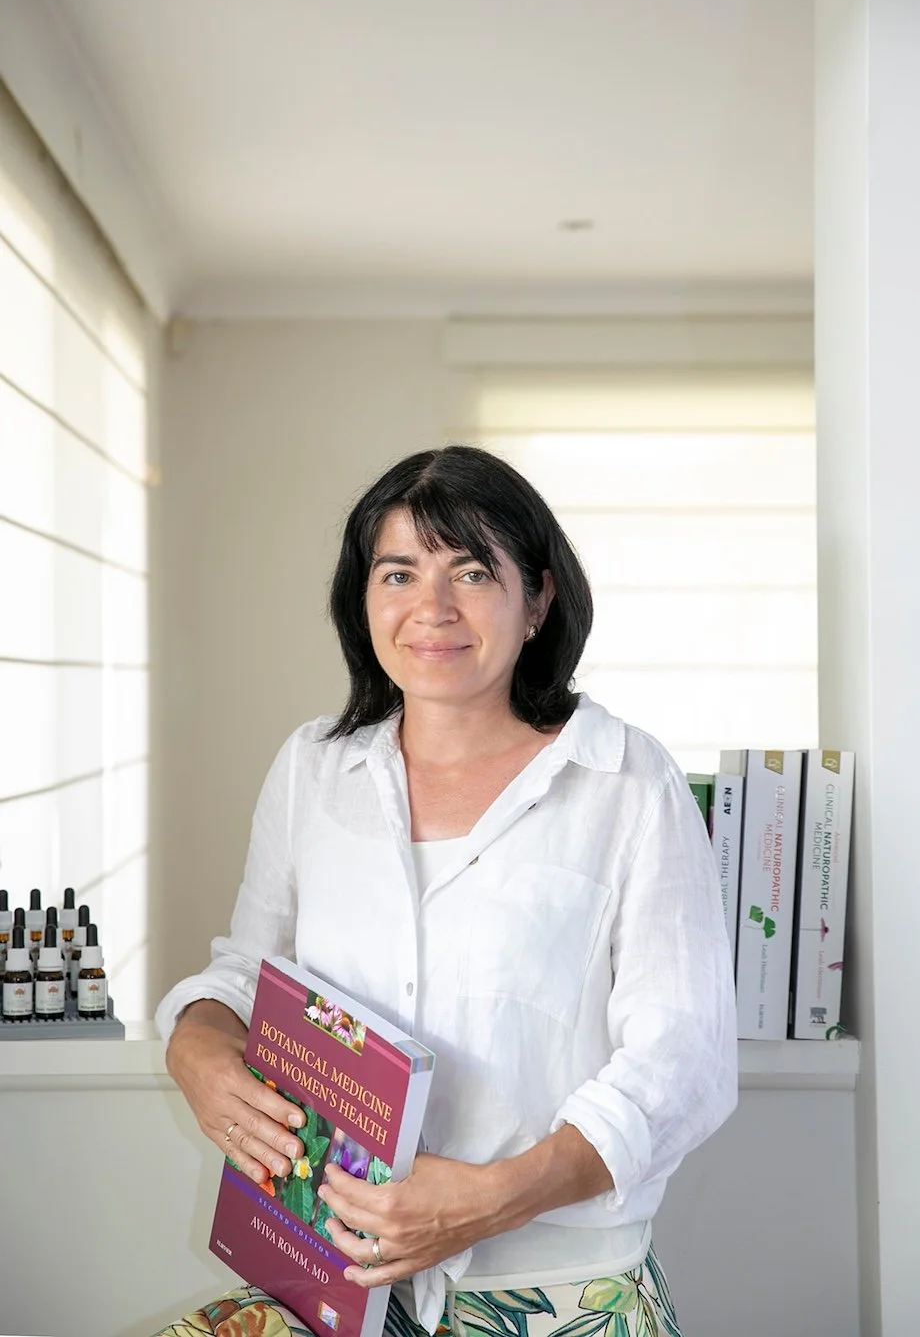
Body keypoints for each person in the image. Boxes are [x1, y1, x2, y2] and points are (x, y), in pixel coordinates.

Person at [154, 445, 737, 1337]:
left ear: (537, 599)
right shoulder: (314, 769)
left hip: (558, 1291)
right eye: (399, 574)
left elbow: (686, 1060)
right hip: (336, 1275)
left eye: (471, 572)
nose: (432, 609)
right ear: (363, 599)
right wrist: (195, 1041)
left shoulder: (626, 782)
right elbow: (251, 971)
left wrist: (492, 1198)